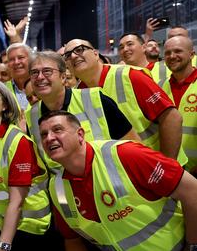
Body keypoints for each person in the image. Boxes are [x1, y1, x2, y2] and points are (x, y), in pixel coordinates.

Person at [40, 110, 197, 251]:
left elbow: (192, 191)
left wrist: (192, 246)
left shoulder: (126, 154)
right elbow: (72, 240)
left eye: (57, 130)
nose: (49, 138)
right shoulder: (57, 188)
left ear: (80, 134)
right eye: (43, 134)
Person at [64, 39, 186, 163]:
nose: (73, 56)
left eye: (79, 50)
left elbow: (172, 118)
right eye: (67, 55)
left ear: (95, 54)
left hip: (158, 168)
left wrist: (168, 165)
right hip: (125, 174)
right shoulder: (77, 95)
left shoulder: (129, 76)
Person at [25, 51, 139, 174]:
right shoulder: (31, 116)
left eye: (47, 71)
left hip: (111, 184)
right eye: (34, 73)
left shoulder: (96, 99)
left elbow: (134, 148)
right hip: (67, 190)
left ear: (63, 77)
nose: (40, 77)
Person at [0, 79, 51, 250]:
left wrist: (4, 245)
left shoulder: (18, 141)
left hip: (26, 224)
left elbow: (17, 202)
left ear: (5, 105)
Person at [162, 36, 197, 175]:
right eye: (167, 53)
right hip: (172, 170)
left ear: (192, 54)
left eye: (178, 51)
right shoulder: (159, 88)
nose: (172, 56)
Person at [5, 43, 32, 112]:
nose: (16, 62)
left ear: (31, 60)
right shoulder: (2, 89)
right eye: (11, 59)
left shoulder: (41, 85)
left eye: (21, 58)